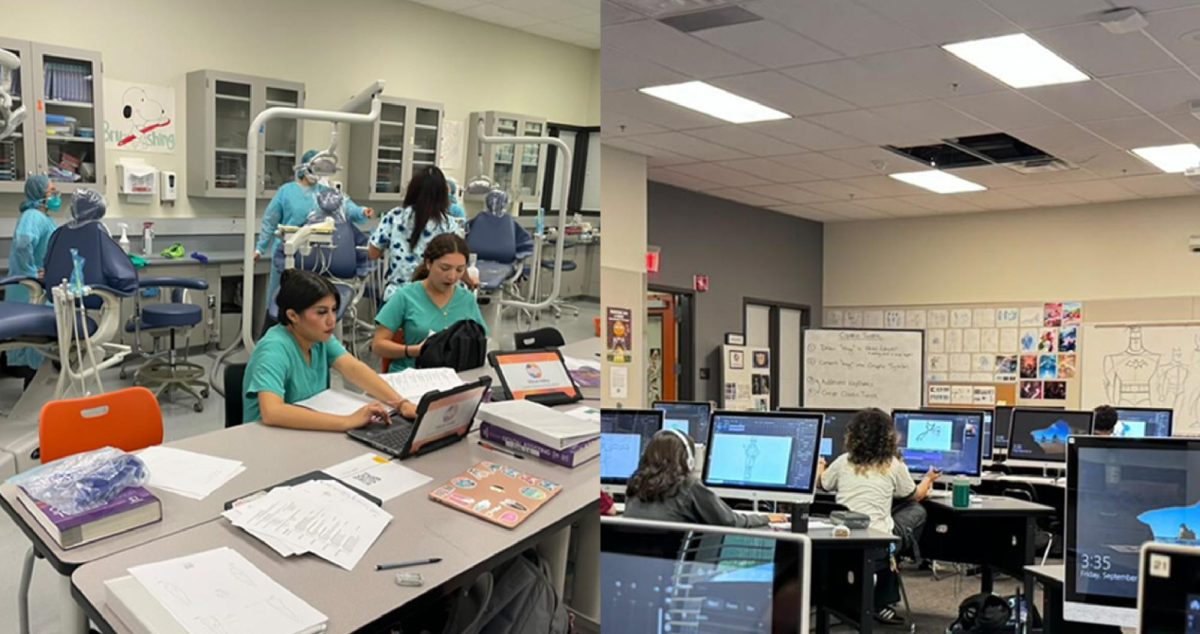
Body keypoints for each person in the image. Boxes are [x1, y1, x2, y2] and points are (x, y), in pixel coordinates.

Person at [243, 269, 416, 429]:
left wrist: (401, 403)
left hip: (304, 432)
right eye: (321, 312)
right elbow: (272, 412)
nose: (331, 320)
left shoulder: (319, 338)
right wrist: (347, 421)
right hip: (268, 438)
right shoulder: (273, 349)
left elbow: (355, 369)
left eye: (334, 310)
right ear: (293, 315)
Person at [817, 408, 938, 626]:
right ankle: (891, 576)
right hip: (878, 544)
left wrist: (820, 465)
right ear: (889, 437)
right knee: (916, 512)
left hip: (840, 540)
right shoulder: (892, 464)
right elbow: (915, 495)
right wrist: (928, 479)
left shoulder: (844, 461)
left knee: (887, 516)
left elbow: (822, 483)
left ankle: (879, 579)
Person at [255, 149, 375, 309]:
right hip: (288, 253)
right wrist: (259, 249)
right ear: (303, 168)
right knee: (282, 301)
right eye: (314, 169)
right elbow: (270, 221)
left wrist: (362, 211)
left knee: (311, 304)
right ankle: (276, 331)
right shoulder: (286, 191)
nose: (316, 174)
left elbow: (347, 207)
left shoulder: (326, 193)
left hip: (317, 257)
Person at [372, 233, 487, 372]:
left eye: (459, 270)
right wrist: (413, 351)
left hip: (455, 377)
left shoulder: (466, 299)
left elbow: (481, 339)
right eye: (445, 268)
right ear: (428, 263)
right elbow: (378, 345)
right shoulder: (406, 296)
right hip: (413, 374)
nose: (452, 276)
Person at [623, 429, 774, 528]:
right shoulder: (688, 486)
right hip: (677, 566)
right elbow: (729, 521)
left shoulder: (634, 485)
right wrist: (765, 518)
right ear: (688, 460)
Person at [368, 165, 465, 301]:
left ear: (411, 190)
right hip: (435, 299)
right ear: (443, 194)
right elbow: (458, 262)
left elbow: (373, 253)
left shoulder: (395, 216)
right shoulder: (449, 225)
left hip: (397, 297)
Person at [3, 176, 60, 379]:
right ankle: (33, 386)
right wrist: (31, 271)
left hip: (38, 286)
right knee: (34, 338)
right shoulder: (32, 216)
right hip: (29, 288)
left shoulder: (44, 217)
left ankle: (40, 384)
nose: (56, 195)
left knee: (42, 339)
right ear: (39, 193)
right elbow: (23, 242)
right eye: (51, 192)